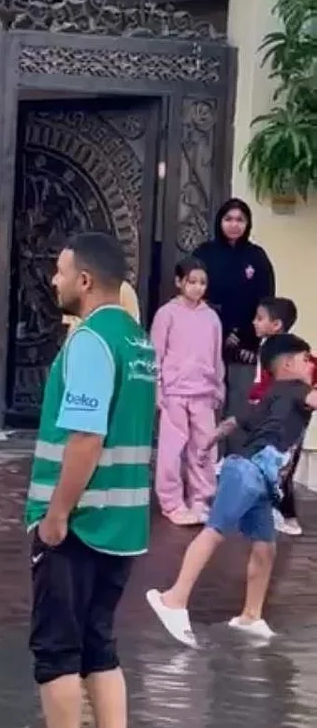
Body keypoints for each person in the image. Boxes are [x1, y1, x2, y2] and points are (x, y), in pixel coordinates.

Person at [24, 232, 157, 728]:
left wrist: (56, 517)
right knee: (99, 643)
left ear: (84, 280)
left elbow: (85, 437)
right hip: (123, 524)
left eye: (60, 272)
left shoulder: (91, 341)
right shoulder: (138, 341)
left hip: (80, 524)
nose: (53, 280)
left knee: (57, 650)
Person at [147, 334, 317, 646]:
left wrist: (207, 444)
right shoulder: (297, 389)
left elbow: (232, 422)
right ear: (288, 365)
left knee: (265, 547)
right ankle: (173, 599)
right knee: (214, 532)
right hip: (248, 473)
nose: (311, 366)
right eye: (307, 359)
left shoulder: (272, 395)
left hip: (260, 481)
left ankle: (251, 616)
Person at [150, 257, 224, 526]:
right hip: (174, 393)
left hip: (203, 393)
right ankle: (172, 503)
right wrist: (157, 389)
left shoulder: (211, 317)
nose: (197, 287)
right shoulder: (166, 314)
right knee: (171, 451)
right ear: (179, 282)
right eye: (191, 282)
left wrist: (218, 387)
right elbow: (155, 354)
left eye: (202, 282)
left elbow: (216, 356)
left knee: (204, 448)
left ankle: (201, 499)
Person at [194, 198, 276, 424]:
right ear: (219, 221)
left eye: (240, 220)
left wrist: (250, 338)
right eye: (228, 219)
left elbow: (265, 300)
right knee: (208, 404)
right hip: (210, 342)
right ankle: (208, 447)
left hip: (245, 346)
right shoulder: (205, 254)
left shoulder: (257, 257)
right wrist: (224, 330)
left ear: (247, 224)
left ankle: (234, 449)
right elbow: (196, 297)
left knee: (238, 409)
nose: (234, 225)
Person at [247, 298, 312, 536]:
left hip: (287, 420)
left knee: (283, 466)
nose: (254, 322)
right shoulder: (268, 347)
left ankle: (287, 514)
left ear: (276, 324)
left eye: (260, 318)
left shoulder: (285, 352)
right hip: (274, 417)